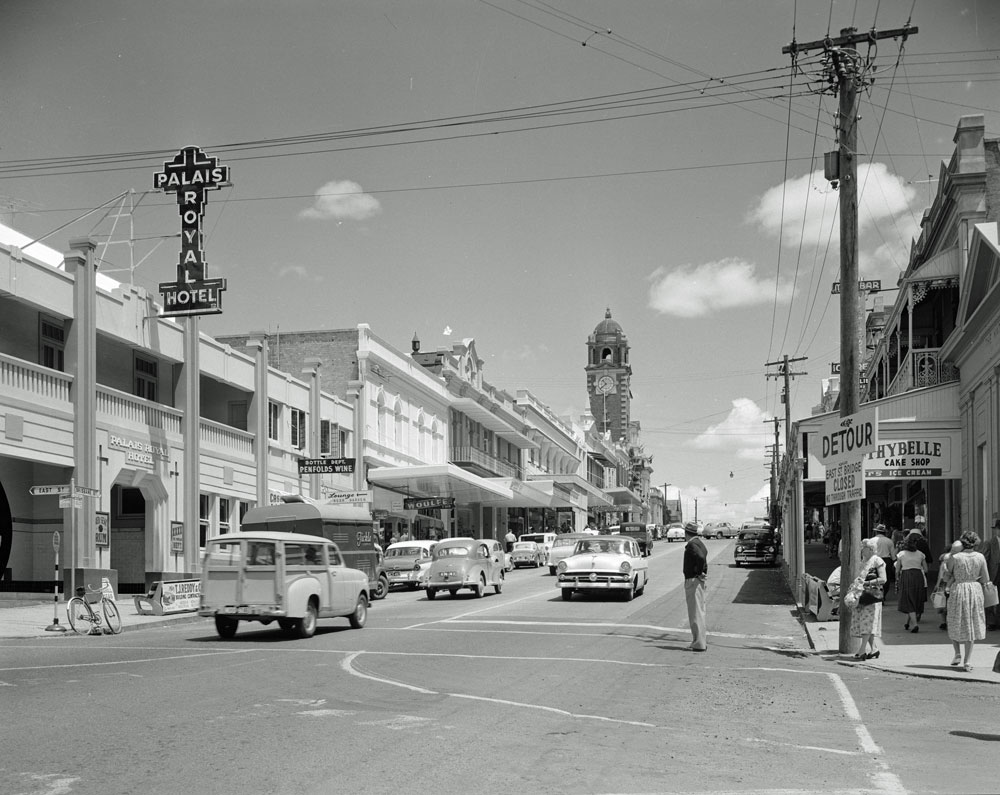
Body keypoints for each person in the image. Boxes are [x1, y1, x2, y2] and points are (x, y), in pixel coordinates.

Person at [944, 530, 990, 671]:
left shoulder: (955, 557)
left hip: (958, 589)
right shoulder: (980, 557)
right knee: (971, 623)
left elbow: (948, 576)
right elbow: (985, 578)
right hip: (974, 590)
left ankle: (957, 653)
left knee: (955, 620)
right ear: (975, 542)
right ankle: (967, 661)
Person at [850, 537, 887, 660]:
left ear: (871, 549)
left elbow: (883, 579)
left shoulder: (877, 560)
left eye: (863, 548)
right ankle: (874, 649)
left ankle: (862, 650)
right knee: (865, 622)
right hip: (862, 595)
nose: (861, 550)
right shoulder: (863, 561)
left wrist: (867, 583)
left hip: (872, 596)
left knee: (867, 623)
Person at [682, 520, 708, 651]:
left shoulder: (692, 544)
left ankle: (698, 643)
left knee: (695, 613)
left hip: (693, 580)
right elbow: (704, 555)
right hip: (697, 580)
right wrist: (703, 571)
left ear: (687, 533)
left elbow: (701, 558)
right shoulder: (699, 543)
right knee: (700, 611)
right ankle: (700, 641)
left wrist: (698, 572)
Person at [895, 532, 927, 632]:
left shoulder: (901, 554)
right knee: (915, 598)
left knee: (908, 599)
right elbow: (925, 569)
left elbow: (897, 569)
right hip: (918, 576)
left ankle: (915, 624)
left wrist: (897, 578)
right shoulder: (921, 554)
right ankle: (907, 622)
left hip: (906, 575)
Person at [977, 519, 1000, 630]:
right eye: (998, 529)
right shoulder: (990, 543)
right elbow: (984, 559)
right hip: (993, 574)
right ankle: (991, 622)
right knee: (990, 598)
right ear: (996, 530)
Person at [872, 524, 897, 595]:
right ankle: (883, 594)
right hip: (886, 561)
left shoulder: (872, 540)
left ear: (877, 532)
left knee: (874, 578)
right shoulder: (889, 541)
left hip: (874, 560)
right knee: (885, 579)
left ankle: (876, 594)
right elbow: (893, 555)